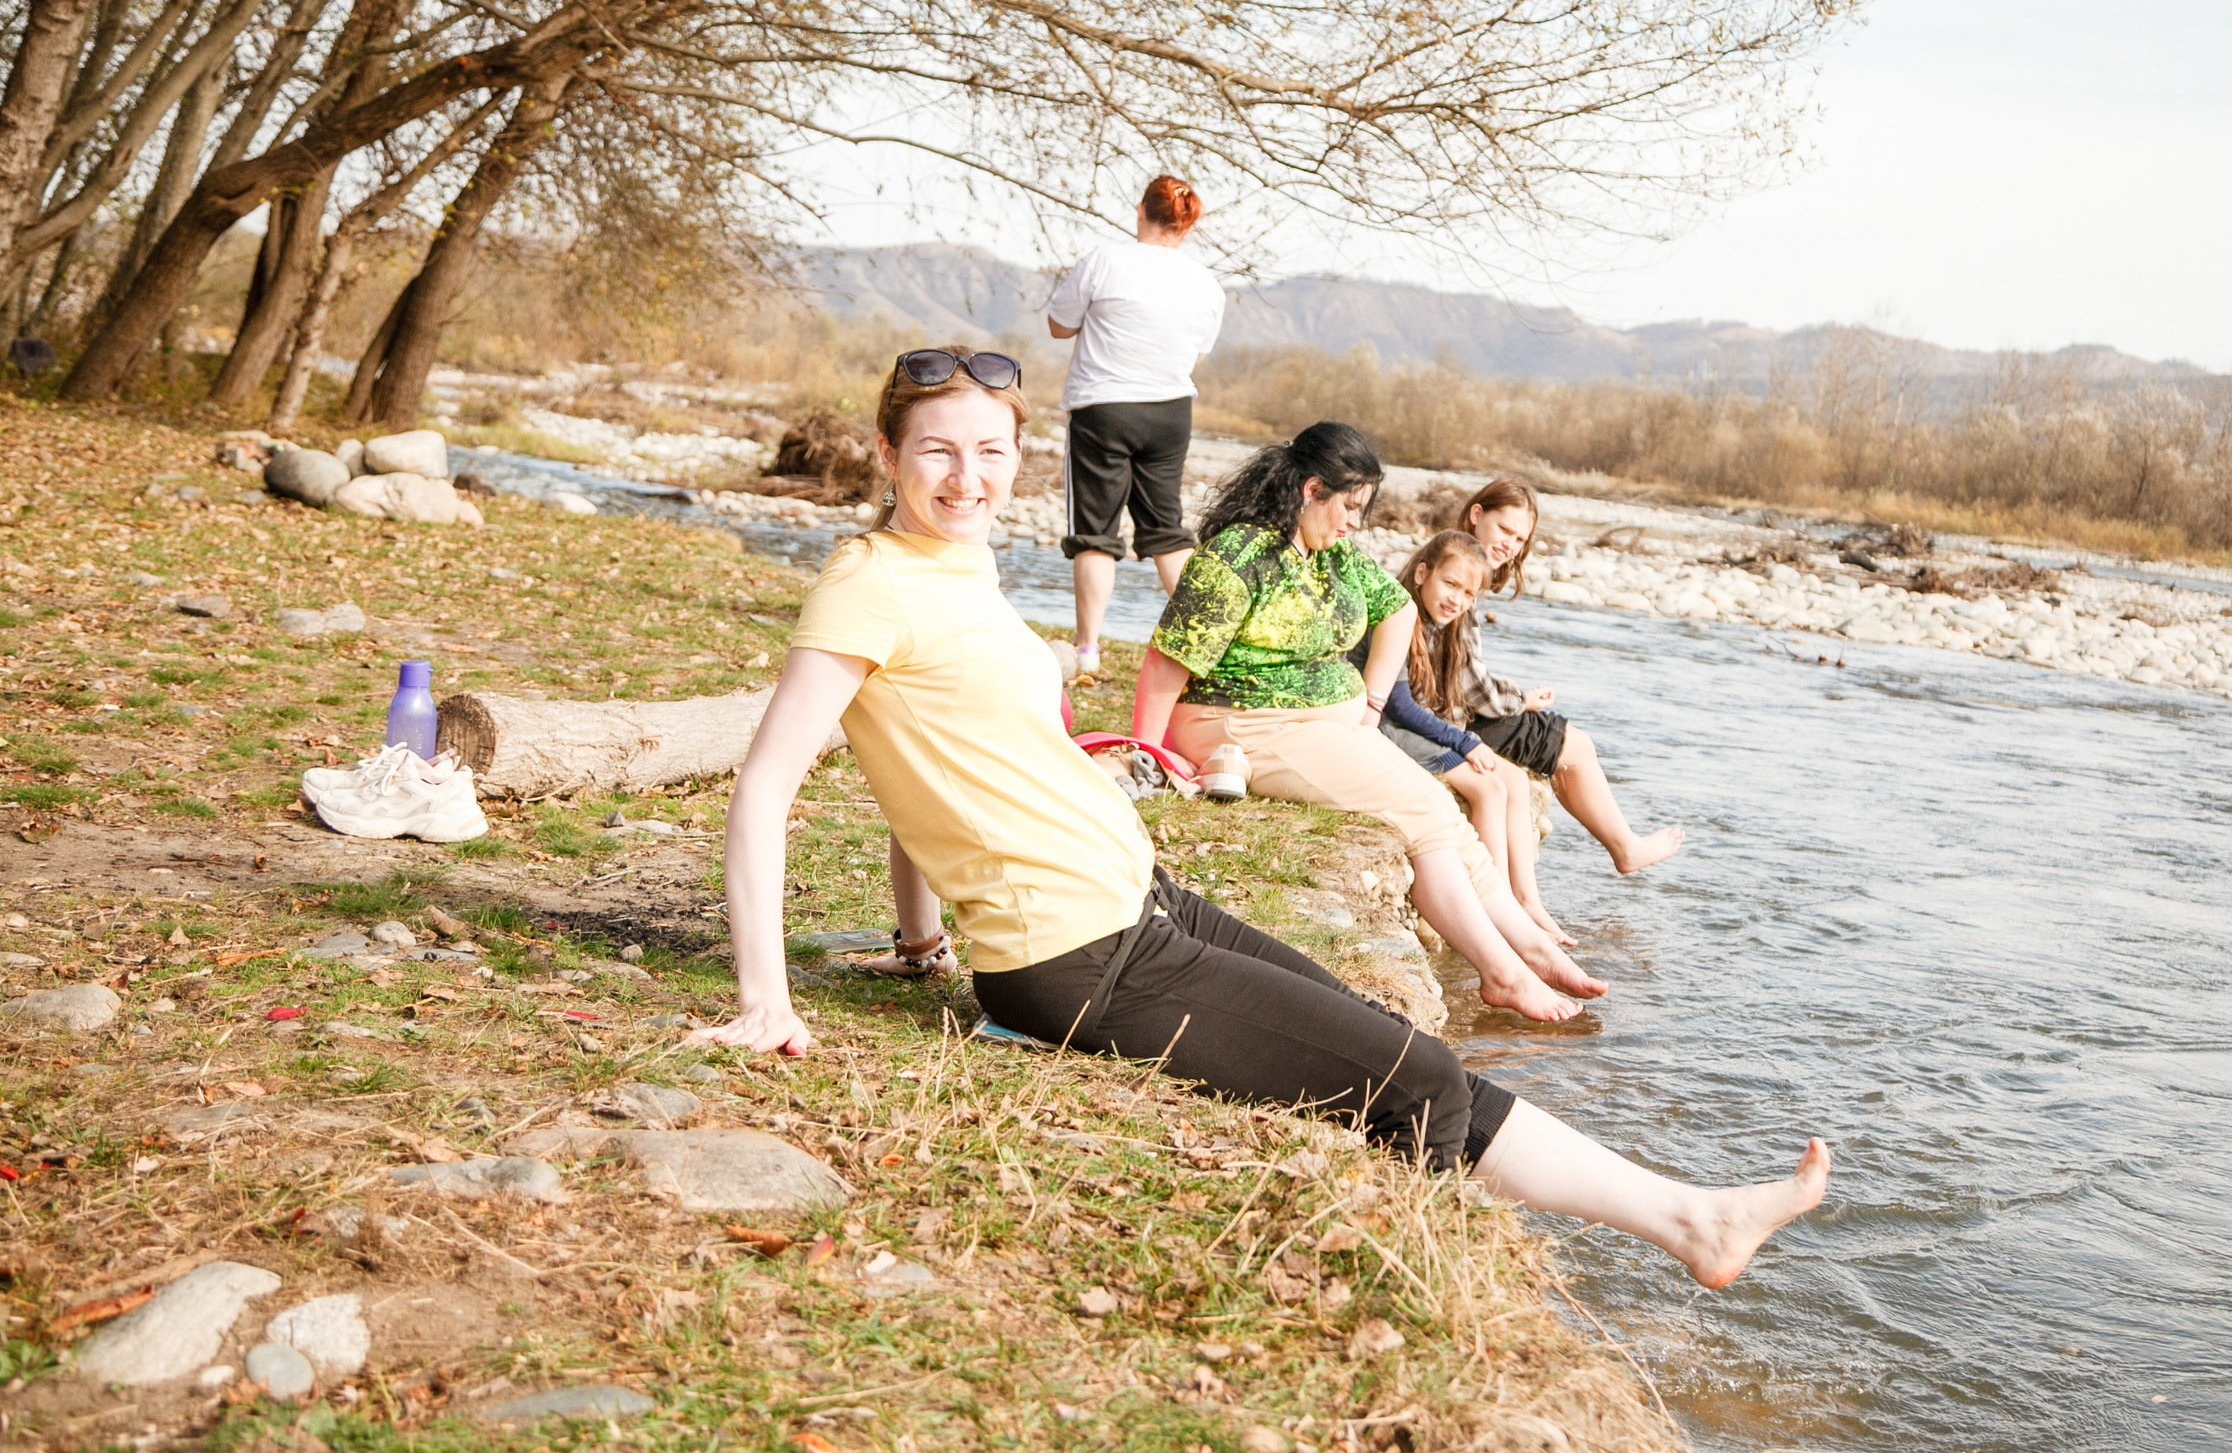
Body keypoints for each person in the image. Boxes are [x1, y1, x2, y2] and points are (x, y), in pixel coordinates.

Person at [688, 347, 1830, 1293]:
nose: (966, 474)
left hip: (1135, 903)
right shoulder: (869, 582)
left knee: (1385, 1040)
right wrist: (764, 1001)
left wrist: (919, 938)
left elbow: (927, 769)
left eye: (991, 451)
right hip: (1078, 955)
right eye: (936, 449)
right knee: (1412, 1079)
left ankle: (1564, 1216)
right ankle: (1689, 1226)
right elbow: (769, 784)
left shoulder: (958, 564)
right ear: (887, 453)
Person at [1130, 423, 1600, 1024]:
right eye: (1349, 507)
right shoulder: (1240, 555)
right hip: (1242, 723)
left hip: (1320, 726)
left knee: (1439, 809)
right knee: (1421, 809)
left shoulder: (1332, 554)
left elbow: (1399, 609)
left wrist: (1372, 704)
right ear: (1310, 489)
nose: (1355, 522)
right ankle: (1503, 975)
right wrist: (1142, 749)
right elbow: (1165, 661)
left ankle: (1530, 948)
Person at [1348, 531, 1573, 945]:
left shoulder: (1440, 624)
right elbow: (1398, 706)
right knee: (1486, 789)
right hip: (1387, 728)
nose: (1457, 600)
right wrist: (1464, 742)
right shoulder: (1397, 614)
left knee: (1514, 780)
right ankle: (1500, 906)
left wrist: (1464, 737)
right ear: (1422, 574)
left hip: (1411, 724)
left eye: (1468, 594)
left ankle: (1525, 900)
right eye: (1449, 584)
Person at [1454, 478, 1684, 874]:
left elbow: (1462, 668)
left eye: (1520, 539)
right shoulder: (1457, 569)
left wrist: (1513, 695)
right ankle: (1625, 849)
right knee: (1575, 745)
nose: (1510, 544)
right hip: (1450, 716)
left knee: (1566, 741)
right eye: (1504, 530)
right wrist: (1519, 699)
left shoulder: (1458, 562)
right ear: (1477, 515)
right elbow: (1467, 686)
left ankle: (1615, 849)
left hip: (1451, 705)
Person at [1047, 175, 1227, 675]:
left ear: (1139, 211)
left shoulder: (1104, 261)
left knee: (1096, 533)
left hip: (1103, 408)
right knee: (1166, 529)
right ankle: (1208, 646)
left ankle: (1087, 652)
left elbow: (1059, 326)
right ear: (1188, 226)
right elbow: (1195, 352)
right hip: (1170, 411)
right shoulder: (1207, 284)